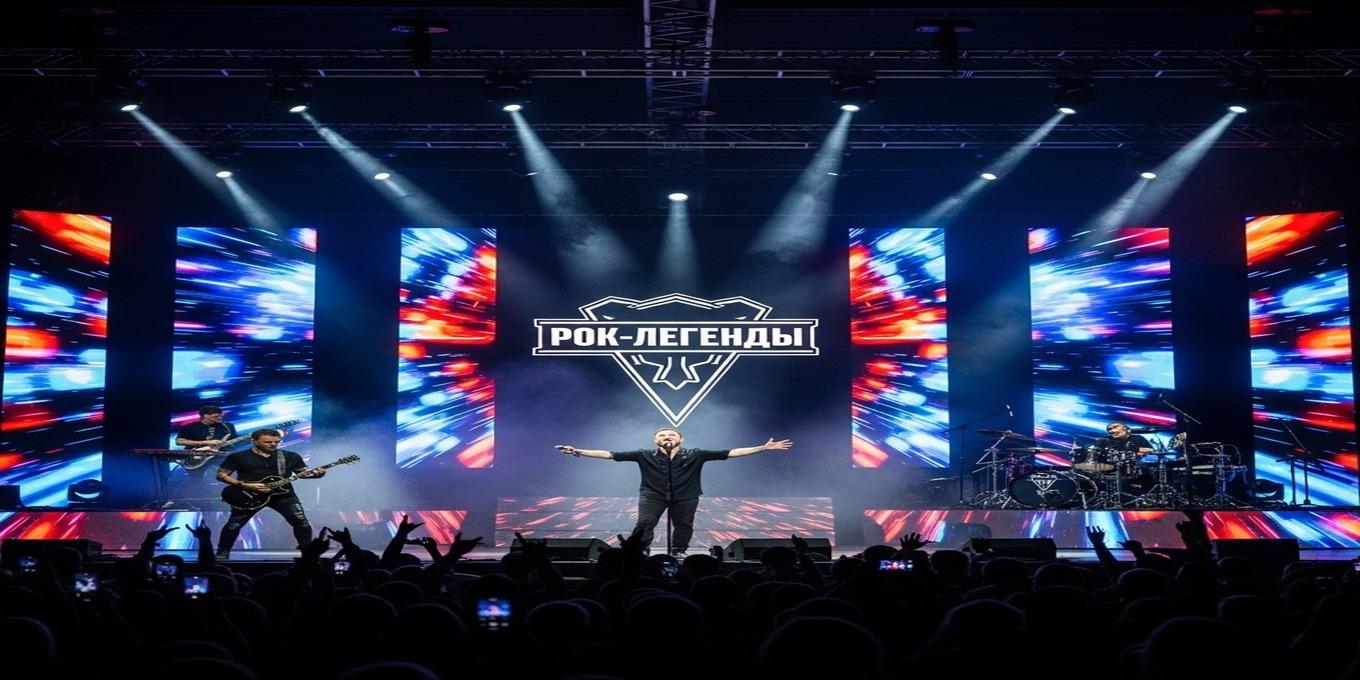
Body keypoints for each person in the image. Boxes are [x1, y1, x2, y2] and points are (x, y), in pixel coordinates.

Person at [556, 428, 793, 556]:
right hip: (652, 494)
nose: (666, 437)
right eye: (661, 435)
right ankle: (640, 551)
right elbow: (610, 454)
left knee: (684, 525)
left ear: (680, 439)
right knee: (644, 524)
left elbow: (730, 453)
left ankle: (679, 551)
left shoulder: (697, 454)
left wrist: (762, 448)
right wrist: (578, 451)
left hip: (686, 495)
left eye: (671, 434)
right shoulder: (643, 454)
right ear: (655, 440)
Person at [214, 429, 324, 558]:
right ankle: (222, 553)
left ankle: (308, 554)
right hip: (249, 495)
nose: (273, 444)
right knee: (234, 524)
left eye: (276, 442)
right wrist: (244, 485)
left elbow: (303, 473)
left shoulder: (290, 456)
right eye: (267, 442)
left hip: (283, 494)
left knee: (301, 522)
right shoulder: (238, 457)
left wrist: (317, 475)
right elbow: (221, 475)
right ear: (254, 441)